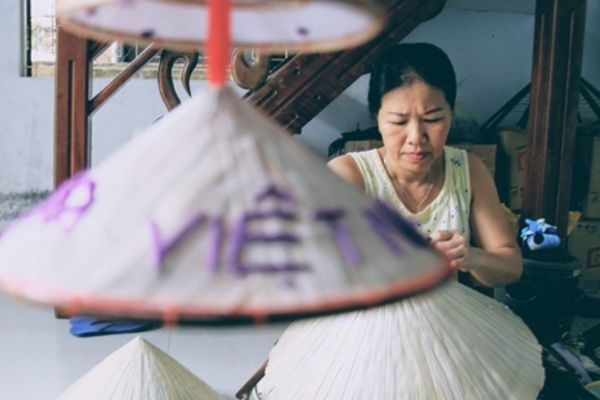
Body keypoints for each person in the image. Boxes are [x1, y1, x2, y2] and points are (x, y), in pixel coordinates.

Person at [328, 43, 521, 288]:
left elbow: (511, 267)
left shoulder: (469, 171)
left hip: (444, 318)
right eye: (399, 122)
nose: (416, 137)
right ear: (378, 119)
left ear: (451, 115)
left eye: (433, 119)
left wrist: (472, 257)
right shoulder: (349, 174)